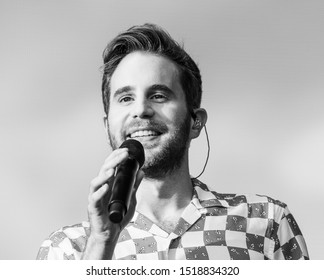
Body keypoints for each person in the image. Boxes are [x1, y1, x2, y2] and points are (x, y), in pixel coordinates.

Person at [37, 23, 309, 260]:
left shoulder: (266, 222)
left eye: (158, 96)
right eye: (125, 98)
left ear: (196, 122)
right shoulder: (67, 249)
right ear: (107, 124)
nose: (140, 110)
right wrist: (102, 241)